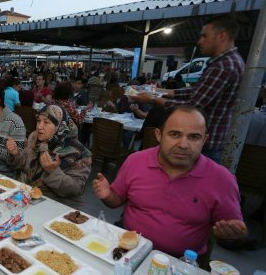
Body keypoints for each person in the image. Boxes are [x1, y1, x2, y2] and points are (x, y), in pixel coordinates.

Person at [92, 106, 247, 257]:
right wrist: (108, 195)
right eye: (174, 134)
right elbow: (116, 200)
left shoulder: (222, 179)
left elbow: (237, 232)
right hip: (128, 247)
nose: (183, 145)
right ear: (159, 135)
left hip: (181, 262)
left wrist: (232, 235)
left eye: (194, 137)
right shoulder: (135, 161)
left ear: (204, 139)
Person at [134, 15, 245, 163]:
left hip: (204, 144)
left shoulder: (224, 65)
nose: (199, 41)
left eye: (204, 36)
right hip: (203, 141)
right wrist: (157, 91)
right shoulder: (224, 62)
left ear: (221, 36)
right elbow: (196, 91)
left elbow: (193, 106)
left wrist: (151, 98)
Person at [6, 105, 92, 208]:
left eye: (46, 122)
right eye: (38, 121)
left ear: (59, 126)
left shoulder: (79, 152)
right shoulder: (35, 138)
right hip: (29, 195)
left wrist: (53, 172)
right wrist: (16, 154)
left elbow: (75, 189)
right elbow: (25, 163)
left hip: (59, 204)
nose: (39, 126)